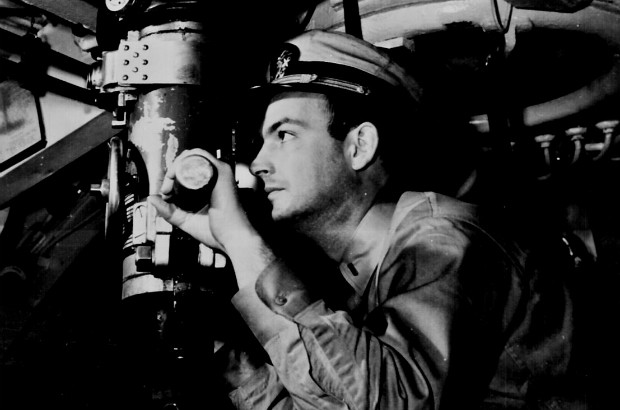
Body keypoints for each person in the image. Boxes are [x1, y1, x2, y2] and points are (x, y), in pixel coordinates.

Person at [150, 29, 589, 409]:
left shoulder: (447, 240)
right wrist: (223, 361)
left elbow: (394, 401)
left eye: (284, 135)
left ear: (359, 146)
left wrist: (242, 242)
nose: (259, 162)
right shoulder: (359, 289)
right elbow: (337, 398)